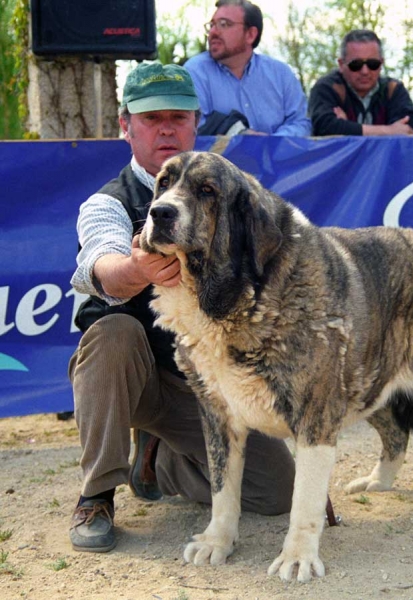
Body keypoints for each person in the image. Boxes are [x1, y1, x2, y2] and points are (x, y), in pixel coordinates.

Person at [68, 61, 295, 553]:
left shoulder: (233, 193)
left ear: (196, 124)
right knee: (112, 332)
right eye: (151, 118)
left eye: (178, 116)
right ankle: (96, 495)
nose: (166, 127)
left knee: (277, 491)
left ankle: (158, 463)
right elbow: (101, 267)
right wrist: (137, 271)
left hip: (206, 380)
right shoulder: (106, 203)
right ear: (126, 127)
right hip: (141, 378)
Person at [184, 0, 311, 136]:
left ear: (250, 34)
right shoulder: (194, 73)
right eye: (212, 25)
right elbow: (192, 126)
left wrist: (270, 145)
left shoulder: (281, 74)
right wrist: (241, 136)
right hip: (219, 157)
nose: (213, 32)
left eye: (224, 24)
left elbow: (300, 123)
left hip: (278, 156)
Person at [308, 29, 413, 136]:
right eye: (356, 64)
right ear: (341, 65)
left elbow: (411, 126)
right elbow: (324, 126)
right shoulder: (328, 88)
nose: (365, 71)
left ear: (381, 63)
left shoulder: (393, 89)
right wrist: (389, 131)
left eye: (373, 64)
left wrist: (348, 129)